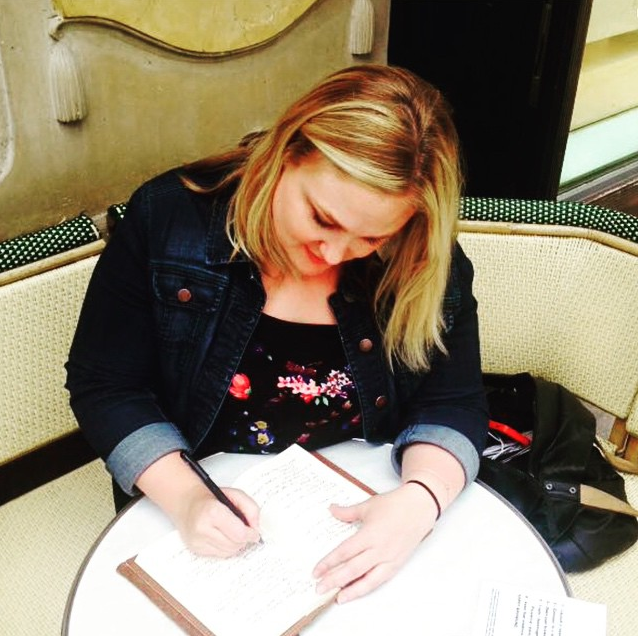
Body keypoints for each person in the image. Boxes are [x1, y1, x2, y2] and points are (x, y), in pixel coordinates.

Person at [66, 64, 488, 603]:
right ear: (287, 152)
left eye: (371, 238)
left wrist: (419, 501)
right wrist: (188, 498)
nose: (334, 255)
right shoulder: (169, 218)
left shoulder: (421, 257)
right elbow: (106, 385)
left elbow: (453, 401)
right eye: (322, 219)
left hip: (362, 502)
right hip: (193, 497)